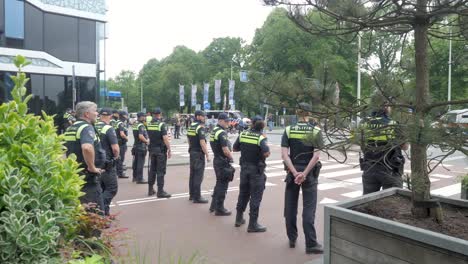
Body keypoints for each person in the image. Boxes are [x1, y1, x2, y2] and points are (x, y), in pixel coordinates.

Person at [281, 102, 324, 254]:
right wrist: (304, 173)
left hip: (292, 173)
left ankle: (292, 239)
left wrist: (294, 173)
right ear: (309, 113)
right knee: (308, 208)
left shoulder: (289, 130)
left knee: (290, 207)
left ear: (297, 113)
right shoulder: (316, 131)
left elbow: (284, 154)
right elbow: (316, 156)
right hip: (309, 174)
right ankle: (311, 244)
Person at [358, 96, 408, 194]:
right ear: (385, 107)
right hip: (390, 168)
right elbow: (405, 147)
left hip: (369, 168)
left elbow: (360, 143)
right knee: (392, 201)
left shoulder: (364, 123)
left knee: (368, 201)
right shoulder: (393, 124)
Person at [64, 101, 106, 210]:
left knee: (83, 210)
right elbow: (87, 147)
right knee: (95, 211)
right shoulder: (86, 127)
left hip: (77, 174)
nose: (97, 114)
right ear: (87, 114)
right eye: (95, 111)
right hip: (88, 177)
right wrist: (92, 167)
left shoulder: (71, 128)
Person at [233, 116, 270, 232]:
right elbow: (267, 153)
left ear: (252, 124)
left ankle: (238, 219)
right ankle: (253, 224)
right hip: (256, 171)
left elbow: (234, 148)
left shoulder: (243, 134)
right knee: (255, 196)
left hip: (244, 169)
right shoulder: (261, 138)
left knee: (243, 193)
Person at [94, 108, 120, 216]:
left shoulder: (93, 127)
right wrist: (116, 157)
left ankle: (105, 213)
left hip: (96, 162)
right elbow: (115, 148)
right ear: (110, 116)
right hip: (108, 163)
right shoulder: (108, 128)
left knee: (101, 188)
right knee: (112, 189)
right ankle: (101, 210)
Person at [209, 112, 235, 216]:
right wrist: (231, 158)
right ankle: (219, 208)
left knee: (218, 183)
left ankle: (213, 205)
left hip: (217, 159)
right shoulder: (221, 133)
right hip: (223, 161)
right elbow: (225, 150)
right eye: (226, 121)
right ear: (220, 121)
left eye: (228, 121)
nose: (228, 123)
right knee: (223, 185)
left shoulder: (214, 131)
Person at [147, 107, 172, 198]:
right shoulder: (162, 125)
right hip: (160, 151)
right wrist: (169, 149)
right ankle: (160, 191)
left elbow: (149, 137)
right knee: (160, 171)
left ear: (153, 114)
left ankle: (150, 189)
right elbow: (165, 138)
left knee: (152, 170)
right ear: (160, 114)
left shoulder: (149, 124)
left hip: (152, 150)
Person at [187, 110, 210, 203]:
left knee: (192, 174)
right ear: (198, 117)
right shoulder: (200, 128)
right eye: (203, 116)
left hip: (192, 152)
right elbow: (202, 142)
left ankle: (192, 195)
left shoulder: (191, 126)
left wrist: (191, 147)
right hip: (199, 154)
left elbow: (188, 138)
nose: (204, 118)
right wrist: (207, 155)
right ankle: (197, 197)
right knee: (198, 175)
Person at [132, 112, 149, 184]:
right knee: (140, 163)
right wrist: (147, 141)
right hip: (141, 146)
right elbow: (141, 136)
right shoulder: (141, 125)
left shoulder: (135, 124)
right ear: (141, 117)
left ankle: (135, 177)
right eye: (144, 116)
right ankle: (140, 178)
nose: (145, 118)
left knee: (135, 162)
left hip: (135, 145)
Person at [116, 110, 129, 178]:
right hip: (121, 143)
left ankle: (117, 171)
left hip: (117, 142)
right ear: (124, 115)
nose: (127, 116)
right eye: (126, 115)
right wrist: (126, 138)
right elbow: (122, 134)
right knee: (121, 158)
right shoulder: (121, 123)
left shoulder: (117, 122)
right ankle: (120, 173)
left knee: (118, 158)